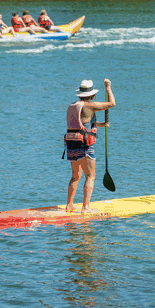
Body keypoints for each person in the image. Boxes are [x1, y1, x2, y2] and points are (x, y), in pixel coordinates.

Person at [65, 78, 115, 213]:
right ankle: (85, 207)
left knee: (76, 176)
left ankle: (69, 205)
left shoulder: (73, 105)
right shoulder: (90, 106)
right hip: (84, 145)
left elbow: (81, 122)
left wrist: (100, 124)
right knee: (90, 176)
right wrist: (108, 87)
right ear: (92, 95)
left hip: (71, 145)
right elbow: (112, 103)